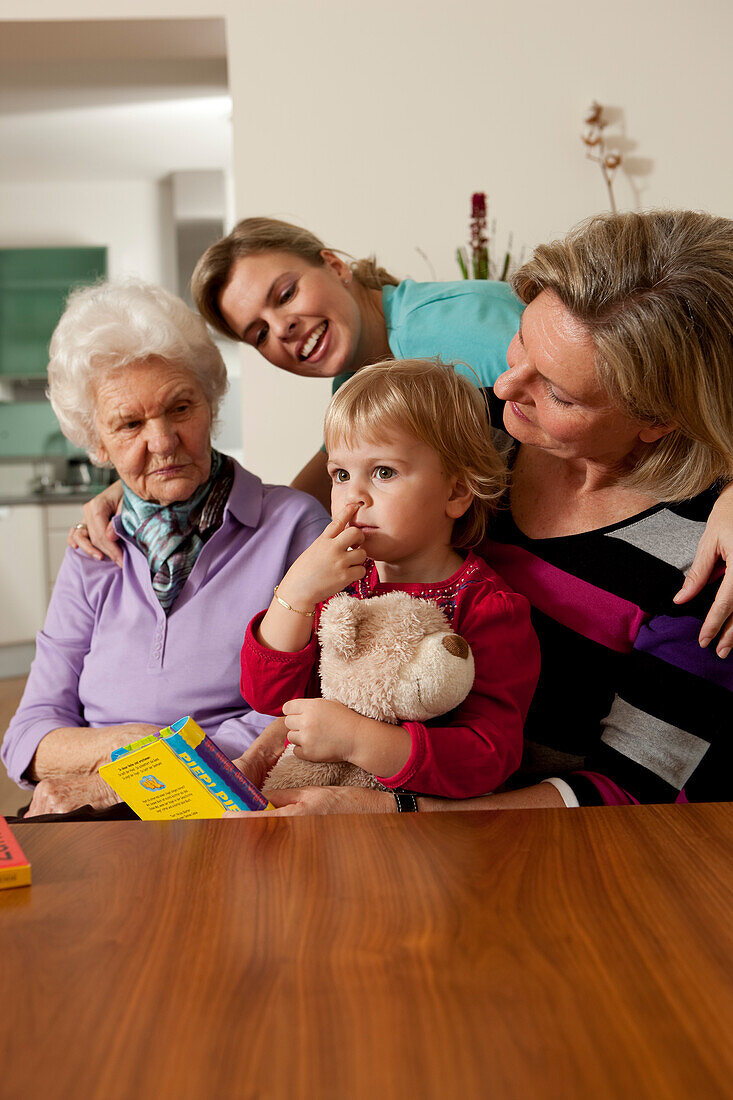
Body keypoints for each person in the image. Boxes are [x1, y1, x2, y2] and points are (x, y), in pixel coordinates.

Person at [232, 209, 733, 815]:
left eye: (559, 392)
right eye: (518, 344)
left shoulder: (703, 561)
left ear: (657, 418)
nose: (502, 389)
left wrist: (404, 815)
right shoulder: (467, 436)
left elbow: (630, 790)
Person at [70, 215, 733, 653]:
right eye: (257, 333)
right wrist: (148, 487)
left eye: (283, 294)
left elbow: (689, 394)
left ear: (334, 263)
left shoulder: (457, 339)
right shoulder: (363, 374)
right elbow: (304, 490)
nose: (283, 330)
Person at [1, 280, 329, 817]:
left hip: (231, 806)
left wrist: (131, 780)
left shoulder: (293, 526)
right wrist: (132, 748)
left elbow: (301, 709)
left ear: (210, 403)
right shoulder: (95, 547)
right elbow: (28, 736)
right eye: (129, 424)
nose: (162, 441)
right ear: (97, 444)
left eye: (179, 408)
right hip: (94, 808)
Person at [240, 359, 540, 798]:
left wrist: (359, 740)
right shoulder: (340, 584)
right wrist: (295, 593)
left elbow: (489, 755)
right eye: (341, 474)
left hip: (414, 828)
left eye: (384, 472)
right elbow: (266, 696)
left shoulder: (488, 607)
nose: (354, 496)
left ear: (456, 492)